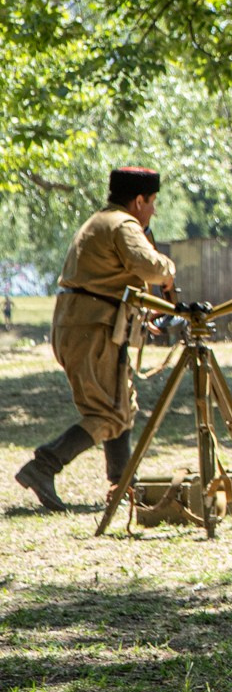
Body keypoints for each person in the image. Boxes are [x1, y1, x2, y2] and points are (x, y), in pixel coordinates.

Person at [14, 167, 177, 510]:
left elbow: (112, 278)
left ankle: (123, 483)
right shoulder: (123, 224)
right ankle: (44, 466)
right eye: (152, 202)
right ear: (138, 201)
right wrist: (168, 270)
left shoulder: (102, 221)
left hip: (86, 326)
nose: (153, 211)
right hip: (93, 330)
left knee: (121, 407)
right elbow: (148, 266)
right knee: (109, 415)